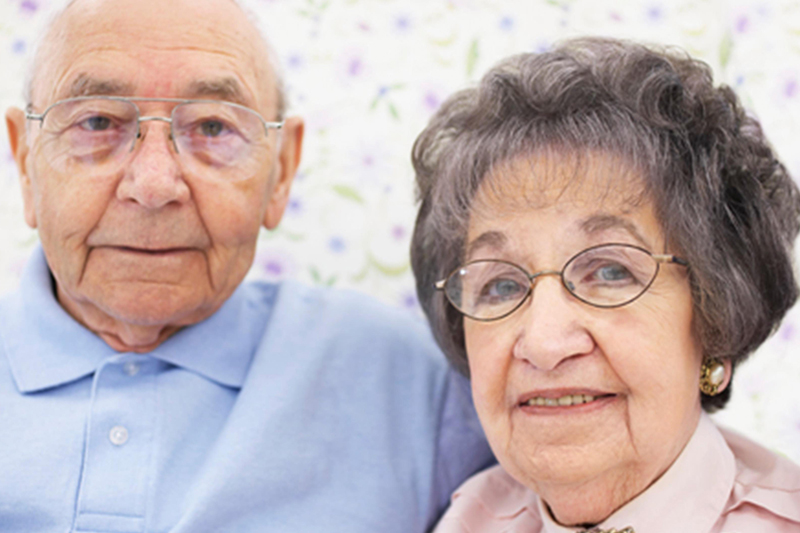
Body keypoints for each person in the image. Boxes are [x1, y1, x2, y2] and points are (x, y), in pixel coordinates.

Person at [0, 0, 493, 531]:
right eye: (96, 121)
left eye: (212, 128)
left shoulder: (413, 381)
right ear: (26, 160)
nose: (154, 185)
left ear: (281, 172)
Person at [410, 37, 800, 532]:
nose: (545, 343)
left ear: (715, 316)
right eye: (501, 286)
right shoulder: (467, 519)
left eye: (610, 272)